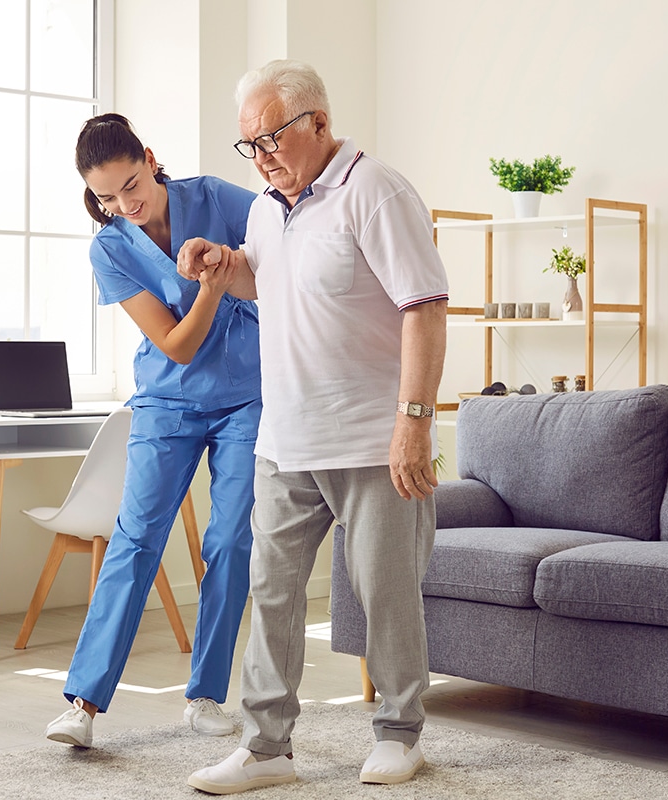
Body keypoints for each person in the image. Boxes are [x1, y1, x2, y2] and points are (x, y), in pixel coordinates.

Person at [178, 61, 449, 793]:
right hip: (286, 438)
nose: (261, 154)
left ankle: (400, 732)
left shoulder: (377, 191)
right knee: (271, 591)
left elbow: (424, 307)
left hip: (371, 437)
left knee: (384, 590)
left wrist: (413, 424)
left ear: (318, 124)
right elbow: (271, 282)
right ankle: (267, 749)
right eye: (249, 144)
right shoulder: (267, 209)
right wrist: (223, 265)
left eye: (272, 137)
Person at [44, 113, 262, 749]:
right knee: (136, 540)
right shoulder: (110, 247)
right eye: (107, 197)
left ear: (149, 158)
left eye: (132, 185)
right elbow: (175, 344)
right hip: (167, 401)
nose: (125, 205)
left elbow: (287, 232)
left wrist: (230, 266)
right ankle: (82, 704)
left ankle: (205, 695)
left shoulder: (217, 198)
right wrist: (214, 290)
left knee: (228, 541)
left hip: (246, 398)